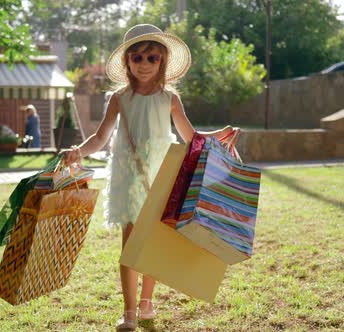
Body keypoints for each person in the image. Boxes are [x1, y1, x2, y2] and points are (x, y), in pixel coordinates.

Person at [60, 24, 236, 331]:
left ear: (163, 62)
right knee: (131, 243)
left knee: (153, 241)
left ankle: (147, 303)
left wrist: (216, 136)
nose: (144, 63)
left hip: (161, 174)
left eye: (152, 58)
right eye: (138, 57)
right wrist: (78, 150)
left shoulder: (169, 99)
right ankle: (129, 310)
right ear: (127, 61)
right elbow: (101, 138)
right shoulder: (119, 98)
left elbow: (190, 137)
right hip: (129, 176)